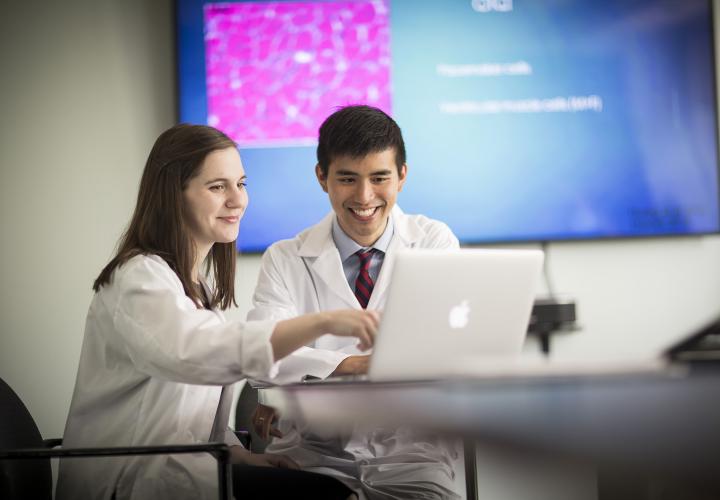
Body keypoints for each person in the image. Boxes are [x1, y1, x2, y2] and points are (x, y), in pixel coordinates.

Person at [56, 124, 379, 500]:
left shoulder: (198, 290)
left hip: (182, 472)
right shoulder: (138, 279)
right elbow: (194, 355)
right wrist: (321, 323)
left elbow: (194, 422)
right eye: (217, 187)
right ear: (172, 195)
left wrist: (239, 454)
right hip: (131, 482)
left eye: (240, 184)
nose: (237, 200)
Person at [247, 105, 463, 499]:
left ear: (402, 176)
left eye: (379, 178)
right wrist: (353, 364)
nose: (364, 197)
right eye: (347, 179)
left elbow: (437, 350)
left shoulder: (433, 241)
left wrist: (313, 369)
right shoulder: (284, 258)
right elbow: (265, 355)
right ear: (322, 178)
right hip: (310, 455)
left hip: (411, 455)